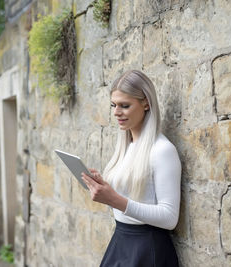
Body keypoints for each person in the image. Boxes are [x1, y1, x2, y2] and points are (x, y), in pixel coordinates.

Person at [81, 70, 181, 267]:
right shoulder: (127, 147)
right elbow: (128, 201)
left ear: (146, 103)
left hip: (147, 249)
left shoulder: (162, 150)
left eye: (124, 106)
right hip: (121, 241)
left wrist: (115, 200)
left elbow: (170, 218)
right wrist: (104, 190)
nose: (116, 112)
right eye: (114, 105)